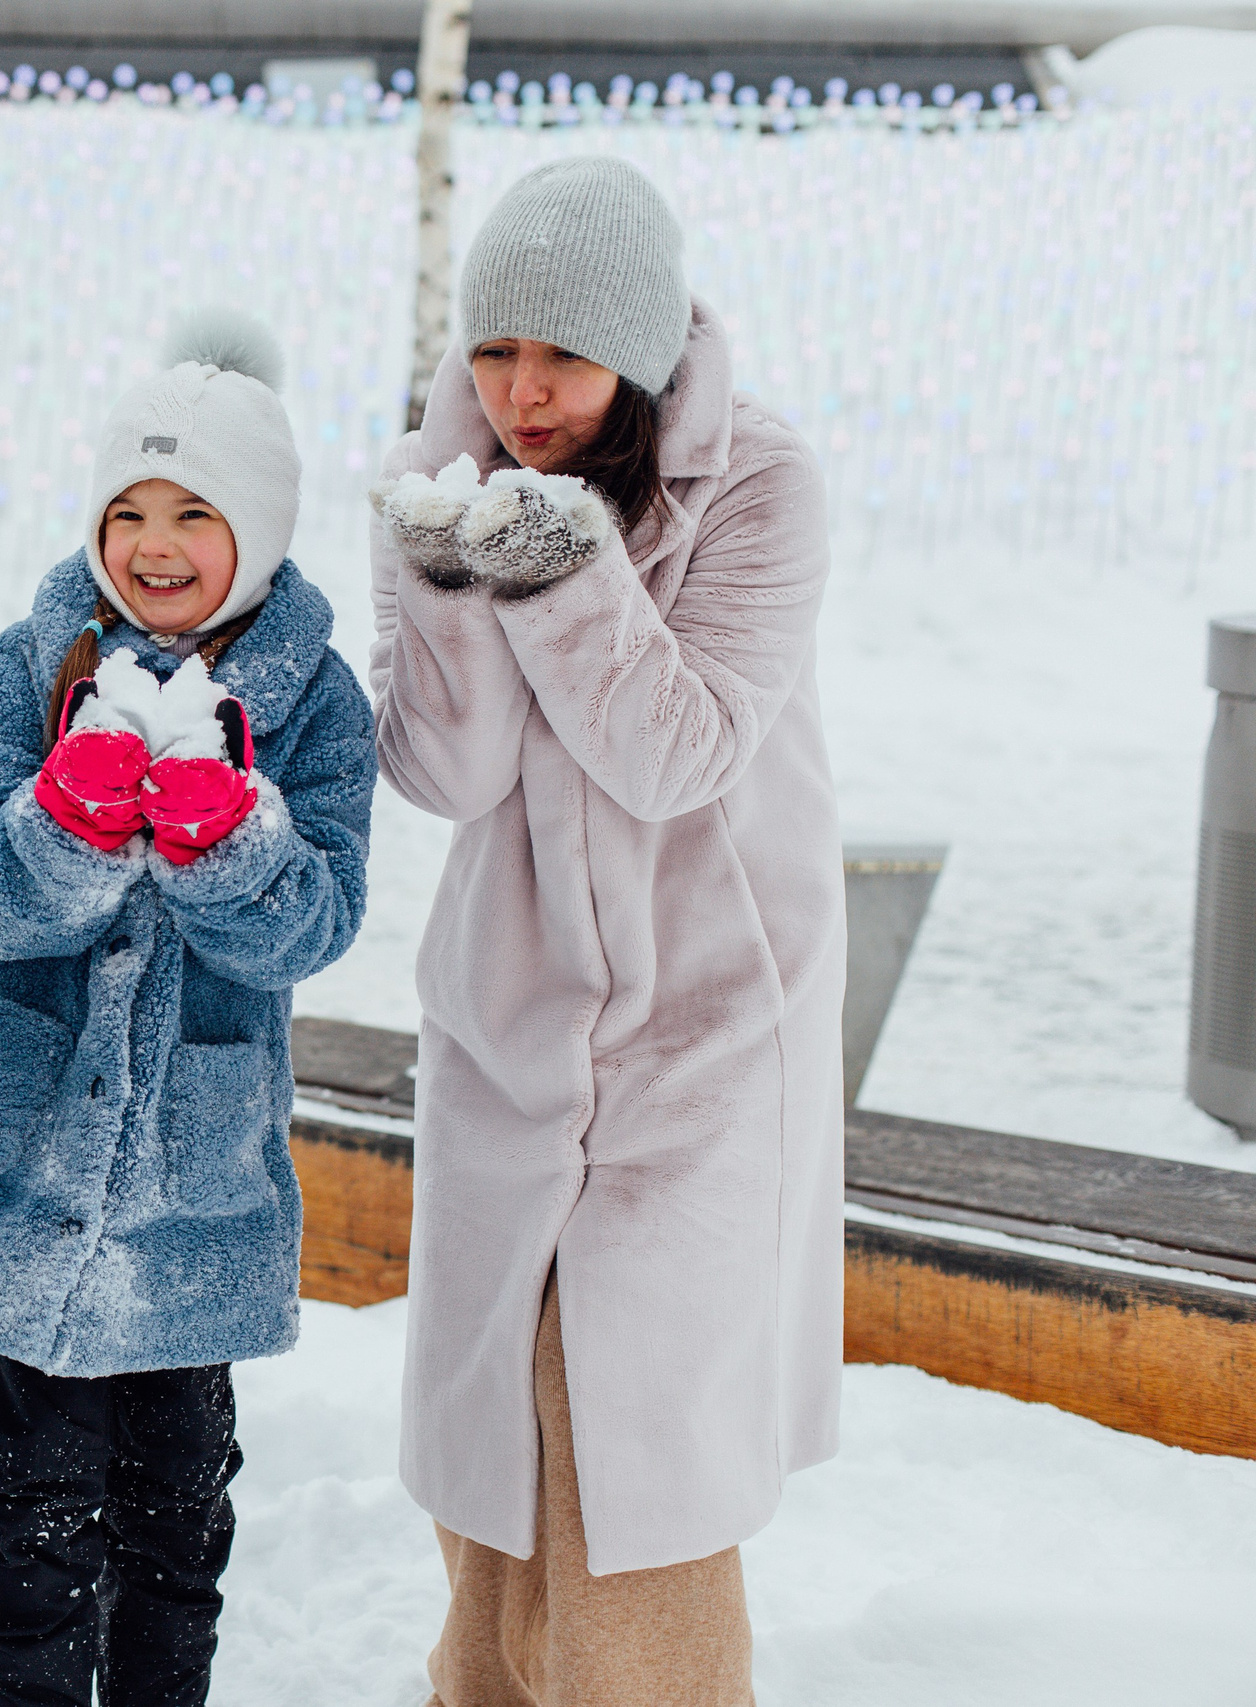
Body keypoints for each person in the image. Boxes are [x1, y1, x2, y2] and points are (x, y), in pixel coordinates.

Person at [0, 310, 375, 1707]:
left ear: (255, 528)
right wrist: (65, 820)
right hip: (25, 1158)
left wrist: (228, 841)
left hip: (193, 1187)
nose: (153, 541)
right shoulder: (30, 668)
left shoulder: (316, 705)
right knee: (26, 1513)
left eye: (194, 511)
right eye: (126, 507)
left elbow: (313, 923)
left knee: (175, 1515)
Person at [368, 157, 843, 1706]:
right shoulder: (442, 468)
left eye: (560, 358)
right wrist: (452, 566)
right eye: (494, 351)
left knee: (637, 1441)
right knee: (496, 1416)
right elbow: (449, 768)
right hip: (510, 1009)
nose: (521, 393)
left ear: (635, 352)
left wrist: (548, 560)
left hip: (709, 1014)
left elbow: (676, 753)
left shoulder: (760, 481)